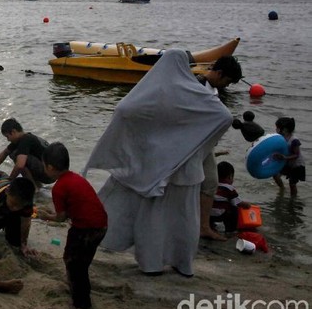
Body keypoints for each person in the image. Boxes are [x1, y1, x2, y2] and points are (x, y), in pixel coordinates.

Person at [83, 50, 233, 277]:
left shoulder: (154, 91)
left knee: (153, 219)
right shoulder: (195, 94)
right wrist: (195, 145)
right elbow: (224, 117)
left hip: (154, 166)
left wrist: (140, 142)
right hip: (186, 170)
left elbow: (124, 109)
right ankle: (183, 264)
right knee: (183, 219)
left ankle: (151, 264)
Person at [36, 143, 107, 309]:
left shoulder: (59, 187)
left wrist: (46, 216)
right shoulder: (76, 178)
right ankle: (81, 290)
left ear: (50, 167)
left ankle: (82, 304)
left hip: (85, 229)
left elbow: (60, 218)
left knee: (73, 263)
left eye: (44, 166)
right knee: (82, 261)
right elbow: (75, 207)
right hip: (101, 225)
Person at [196, 56, 243, 241]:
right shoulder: (197, 85)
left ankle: (203, 225)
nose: (227, 86)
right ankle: (202, 226)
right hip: (195, 144)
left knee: (209, 183)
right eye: (228, 81)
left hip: (205, 144)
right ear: (220, 73)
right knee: (206, 182)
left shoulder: (213, 88)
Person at [0, 118, 51, 188]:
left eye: (7, 136)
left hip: (49, 174)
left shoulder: (26, 140)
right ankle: (37, 185)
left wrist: (9, 181)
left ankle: (33, 187)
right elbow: (5, 153)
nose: (8, 140)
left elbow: (20, 165)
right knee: (16, 154)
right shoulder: (22, 138)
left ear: (13, 132)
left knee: (17, 157)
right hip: (51, 171)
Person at [210, 161, 251, 233]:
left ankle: (211, 226)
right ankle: (231, 229)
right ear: (230, 176)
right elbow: (238, 203)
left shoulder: (211, 185)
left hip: (208, 214)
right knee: (234, 208)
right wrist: (247, 205)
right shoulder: (229, 188)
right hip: (220, 215)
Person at [273, 117, 305, 197]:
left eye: (277, 127)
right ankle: (282, 189)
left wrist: (284, 157)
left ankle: (293, 199)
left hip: (297, 165)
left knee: (292, 183)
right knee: (275, 175)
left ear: (285, 129)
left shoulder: (294, 141)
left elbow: (296, 155)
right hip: (287, 162)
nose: (276, 129)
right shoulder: (281, 138)